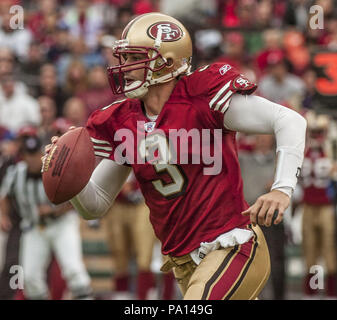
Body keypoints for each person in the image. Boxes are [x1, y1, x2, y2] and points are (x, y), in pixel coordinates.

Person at [45, 13, 306, 300]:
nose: (124, 68)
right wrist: (70, 174)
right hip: (183, 263)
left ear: (166, 62)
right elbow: (94, 206)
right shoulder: (121, 119)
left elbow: (290, 121)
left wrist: (282, 189)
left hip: (231, 245)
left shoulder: (202, 96)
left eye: (134, 57)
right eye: (123, 58)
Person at [1, 135, 92, 299]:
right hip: (34, 226)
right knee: (29, 277)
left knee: (73, 269)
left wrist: (53, 211)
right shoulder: (16, 173)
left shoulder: (56, 168)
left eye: (36, 154)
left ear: (42, 154)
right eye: (29, 155)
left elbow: (74, 201)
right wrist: (3, 215)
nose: (33, 159)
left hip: (62, 224)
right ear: (24, 156)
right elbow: (4, 195)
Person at [300, 111, 337, 299]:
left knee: (329, 248)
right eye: (313, 130)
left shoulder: (331, 148)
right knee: (310, 249)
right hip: (307, 205)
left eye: (319, 130)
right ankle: (312, 292)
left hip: (326, 206)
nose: (316, 134)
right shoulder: (302, 147)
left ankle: (331, 292)